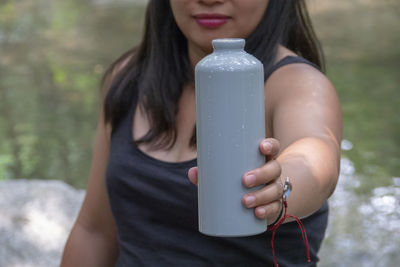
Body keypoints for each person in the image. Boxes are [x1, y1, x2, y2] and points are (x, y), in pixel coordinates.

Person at [61, 0, 342, 266]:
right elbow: (94, 232)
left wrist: (277, 188)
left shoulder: (300, 85)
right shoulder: (128, 78)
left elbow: (317, 163)